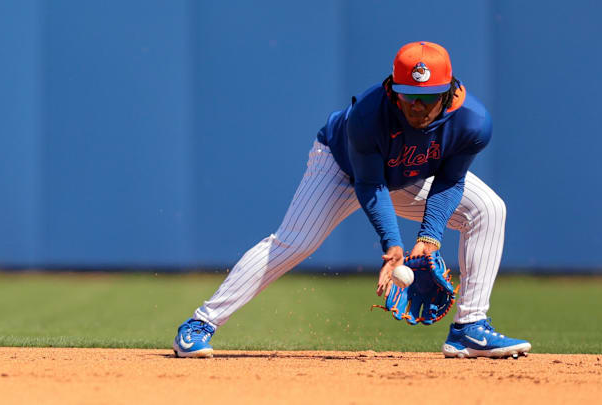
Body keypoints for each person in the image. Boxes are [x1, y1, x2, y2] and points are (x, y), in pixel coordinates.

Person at [173, 41, 531, 359]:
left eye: (428, 98)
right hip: (342, 168)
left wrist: (429, 236)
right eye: (409, 96)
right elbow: (370, 184)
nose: (418, 107)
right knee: (294, 242)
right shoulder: (367, 115)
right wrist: (393, 246)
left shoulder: (473, 123)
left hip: (410, 174)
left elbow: (450, 180)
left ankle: (469, 327)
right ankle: (201, 324)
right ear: (394, 90)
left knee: (488, 208)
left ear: (449, 92)